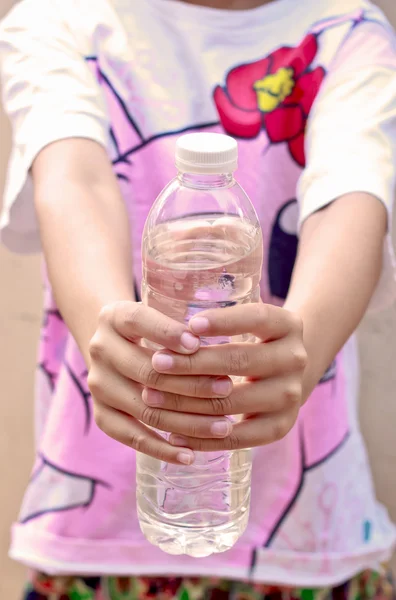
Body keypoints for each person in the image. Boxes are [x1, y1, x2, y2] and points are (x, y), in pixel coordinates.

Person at [1, 0, 396, 598]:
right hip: (97, 537)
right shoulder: (60, 18)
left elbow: (352, 196)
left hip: (307, 538)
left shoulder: (348, 29)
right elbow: (73, 178)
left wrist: (302, 347)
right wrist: (111, 341)